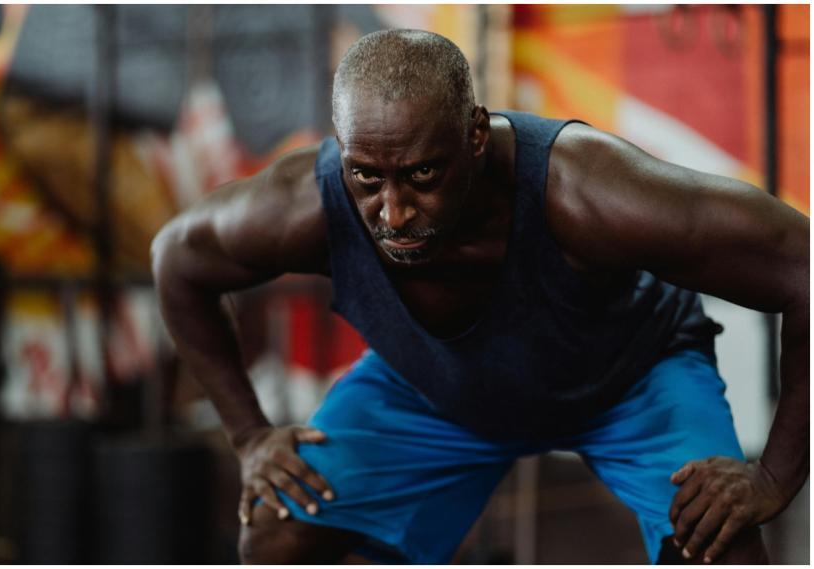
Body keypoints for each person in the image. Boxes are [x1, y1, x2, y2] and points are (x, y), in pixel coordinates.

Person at [151, 29, 809, 564]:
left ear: (474, 135)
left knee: (722, 544)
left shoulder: (585, 191)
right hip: (431, 385)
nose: (395, 213)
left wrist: (777, 476)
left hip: (630, 378)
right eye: (367, 177)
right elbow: (175, 260)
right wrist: (250, 435)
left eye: (422, 174)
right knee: (275, 530)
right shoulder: (306, 205)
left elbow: (803, 264)